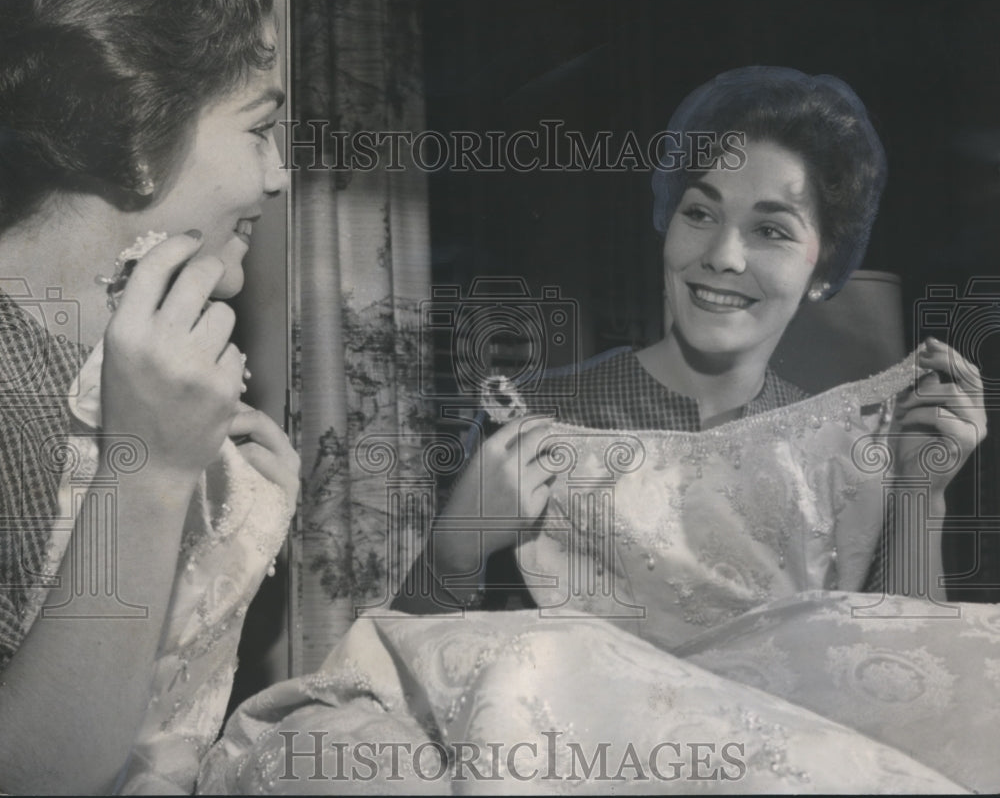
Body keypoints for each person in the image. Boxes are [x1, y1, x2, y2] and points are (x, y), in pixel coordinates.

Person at [202, 68, 995, 793]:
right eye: (700, 212)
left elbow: (907, 687)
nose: (722, 254)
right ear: (666, 219)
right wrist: (459, 540)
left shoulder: (842, 450)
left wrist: (922, 492)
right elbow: (414, 669)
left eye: (772, 229)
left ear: (825, 267)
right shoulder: (543, 412)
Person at [0, 0, 298, 793]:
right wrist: (154, 470)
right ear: (137, 134)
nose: (276, 174)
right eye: (256, 129)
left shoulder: (158, 358)